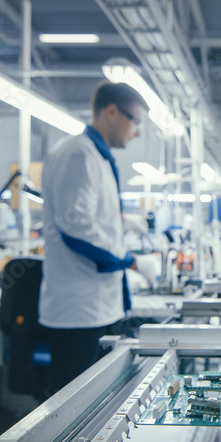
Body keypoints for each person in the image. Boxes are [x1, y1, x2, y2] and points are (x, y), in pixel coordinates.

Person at [39, 82, 156, 396]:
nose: (138, 132)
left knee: (94, 400)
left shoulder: (99, 158)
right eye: (136, 121)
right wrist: (132, 260)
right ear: (112, 112)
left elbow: (88, 217)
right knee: (70, 404)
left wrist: (121, 221)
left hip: (98, 305)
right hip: (79, 309)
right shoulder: (79, 154)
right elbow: (78, 232)